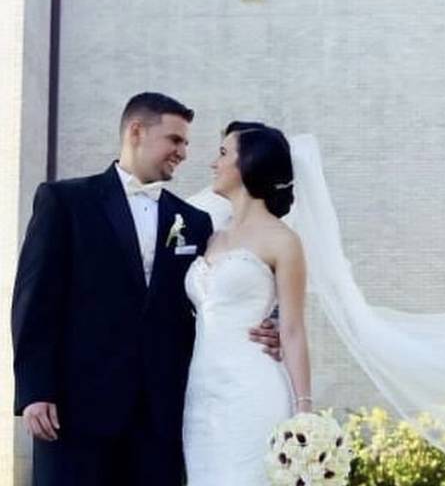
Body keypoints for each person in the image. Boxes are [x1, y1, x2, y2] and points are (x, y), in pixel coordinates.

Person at [11, 93, 278, 486]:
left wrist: (268, 325)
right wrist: (35, 390)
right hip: (76, 410)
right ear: (136, 131)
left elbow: (223, 289)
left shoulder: (195, 221)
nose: (184, 152)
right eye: (175, 140)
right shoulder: (65, 201)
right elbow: (35, 300)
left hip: (159, 418)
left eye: (186, 142)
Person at [182, 121, 311, 486]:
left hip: (252, 390)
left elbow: (293, 328)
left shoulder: (283, 241)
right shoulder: (208, 233)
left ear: (248, 165)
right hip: (202, 396)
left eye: (223, 153)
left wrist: (305, 412)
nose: (213, 163)